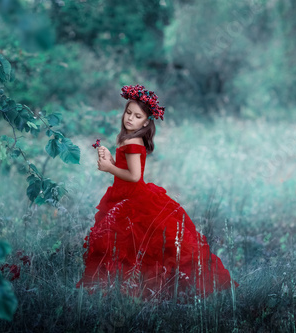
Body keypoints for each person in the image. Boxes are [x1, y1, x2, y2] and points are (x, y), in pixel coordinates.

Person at [76, 84, 238, 301]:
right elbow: (126, 170)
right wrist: (111, 161)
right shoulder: (128, 138)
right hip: (123, 196)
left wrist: (108, 168)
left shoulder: (134, 141)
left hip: (133, 198)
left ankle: (145, 291)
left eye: (137, 116)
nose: (130, 118)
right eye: (128, 113)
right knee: (125, 245)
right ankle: (121, 291)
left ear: (146, 121)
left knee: (141, 245)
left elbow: (134, 176)